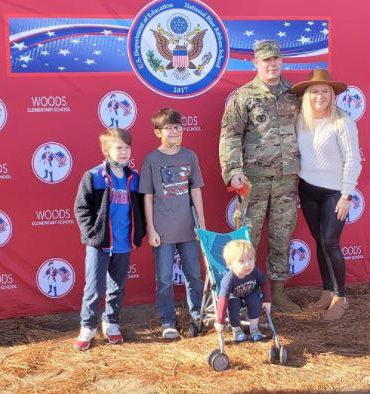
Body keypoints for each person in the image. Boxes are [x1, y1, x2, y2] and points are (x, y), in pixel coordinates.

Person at [219, 39, 300, 312]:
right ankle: (244, 294)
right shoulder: (243, 96)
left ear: (281, 61)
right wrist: (233, 171)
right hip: (253, 180)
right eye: (266, 60)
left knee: (282, 235)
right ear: (256, 63)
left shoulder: (295, 94)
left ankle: (277, 293)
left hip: (287, 179)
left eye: (275, 59)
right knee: (247, 238)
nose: (272, 64)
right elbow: (230, 136)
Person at [291, 69, 362, 320]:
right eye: (314, 91)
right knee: (320, 241)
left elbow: (353, 160)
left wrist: (346, 195)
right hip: (308, 189)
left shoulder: (342, 122)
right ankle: (326, 290)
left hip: (334, 192)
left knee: (331, 242)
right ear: (307, 95)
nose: (319, 96)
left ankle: (341, 297)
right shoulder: (301, 120)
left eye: (325, 91)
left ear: (332, 95)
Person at [73, 127, 145, 350]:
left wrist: (140, 232)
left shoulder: (134, 178)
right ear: (106, 150)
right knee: (94, 288)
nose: (124, 152)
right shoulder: (93, 176)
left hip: (124, 243)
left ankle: (111, 322)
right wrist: (92, 233)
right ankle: (88, 326)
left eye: (127, 147)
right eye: (118, 148)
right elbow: (81, 208)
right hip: (100, 244)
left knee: (117, 287)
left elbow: (142, 209)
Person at [139, 108, 205, 339]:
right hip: (163, 231)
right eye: (169, 127)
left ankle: (198, 315)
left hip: (188, 228)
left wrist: (202, 224)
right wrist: (151, 228)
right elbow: (147, 196)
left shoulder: (190, 156)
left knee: (194, 275)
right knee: (165, 278)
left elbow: (195, 190)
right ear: (158, 132)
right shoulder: (151, 160)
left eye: (178, 127)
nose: (175, 131)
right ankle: (168, 319)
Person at [214, 240, 271, 342]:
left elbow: (264, 282)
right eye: (241, 261)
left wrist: (267, 300)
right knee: (233, 303)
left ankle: (254, 328)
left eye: (250, 259)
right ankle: (237, 330)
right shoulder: (229, 280)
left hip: (249, 292)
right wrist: (220, 320)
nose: (247, 264)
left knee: (255, 299)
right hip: (234, 295)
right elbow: (223, 299)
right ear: (230, 264)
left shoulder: (254, 271)